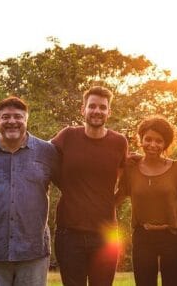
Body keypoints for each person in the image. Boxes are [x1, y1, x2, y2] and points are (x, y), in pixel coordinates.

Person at [0, 96, 59, 286]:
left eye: (18, 117)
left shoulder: (47, 152)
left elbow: (69, 183)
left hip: (33, 250)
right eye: (5, 117)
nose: (12, 122)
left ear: (26, 120)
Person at [52, 86, 128, 286]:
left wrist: (111, 202)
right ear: (82, 109)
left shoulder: (119, 142)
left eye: (103, 107)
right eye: (92, 106)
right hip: (69, 233)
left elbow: (124, 178)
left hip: (106, 234)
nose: (97, 111)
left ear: (109, 112)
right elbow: (37, 152)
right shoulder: (68, 136)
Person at [115, 115, 177, 286]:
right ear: (140, 139)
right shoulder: (131, 168)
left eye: (159, 141)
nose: (153, 145)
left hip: (172, 237)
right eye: (148, 139)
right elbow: (117, 198)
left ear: (166, 144)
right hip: (143, 237)